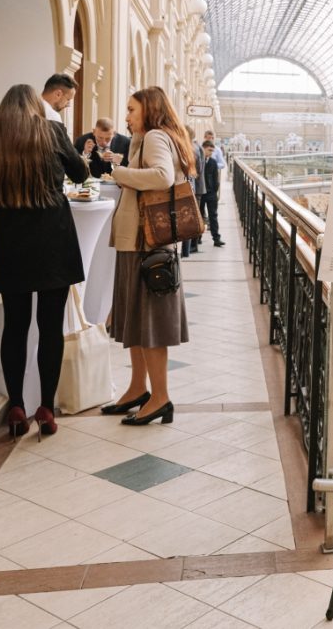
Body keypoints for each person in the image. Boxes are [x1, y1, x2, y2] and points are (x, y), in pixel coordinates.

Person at [0, 84, 88, 438]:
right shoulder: (51, 131)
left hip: (12, 242)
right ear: (37, 107)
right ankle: (47, 409)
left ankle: (17, 406)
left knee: (16, 325)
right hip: (54, 237)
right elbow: (81, 174)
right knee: (50, 327)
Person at [101, 86, 193, 425]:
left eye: (131, 110)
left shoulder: (155, 136)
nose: (126, 117)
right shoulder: (149, 137)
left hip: (147, 244)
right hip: (137, 242)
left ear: (149, 111)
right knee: (137, 322)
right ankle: (138, 388)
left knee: (150, 325)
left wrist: (119, 173)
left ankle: (161, 397)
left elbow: (162, 176)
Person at [181, 127, 206, 257]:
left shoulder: (189, 149)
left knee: (187, 219)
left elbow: (196, 170)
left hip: (188, 187)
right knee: (189, 219)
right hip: (193, 186)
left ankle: (186, 250)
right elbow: (199, 169)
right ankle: (187, 250)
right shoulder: (195, 147)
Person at [201, 140, 224, 247]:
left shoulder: (213, 162)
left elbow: (216, 178)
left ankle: (216, 239)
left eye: (212, 151)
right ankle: (197, 238)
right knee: (200, 216)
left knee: (213, 216)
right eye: (209, 150)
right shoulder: (198, 160)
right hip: (200, 193)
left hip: (210, 193)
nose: (210, 152)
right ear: (203, 148)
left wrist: (214, 191)